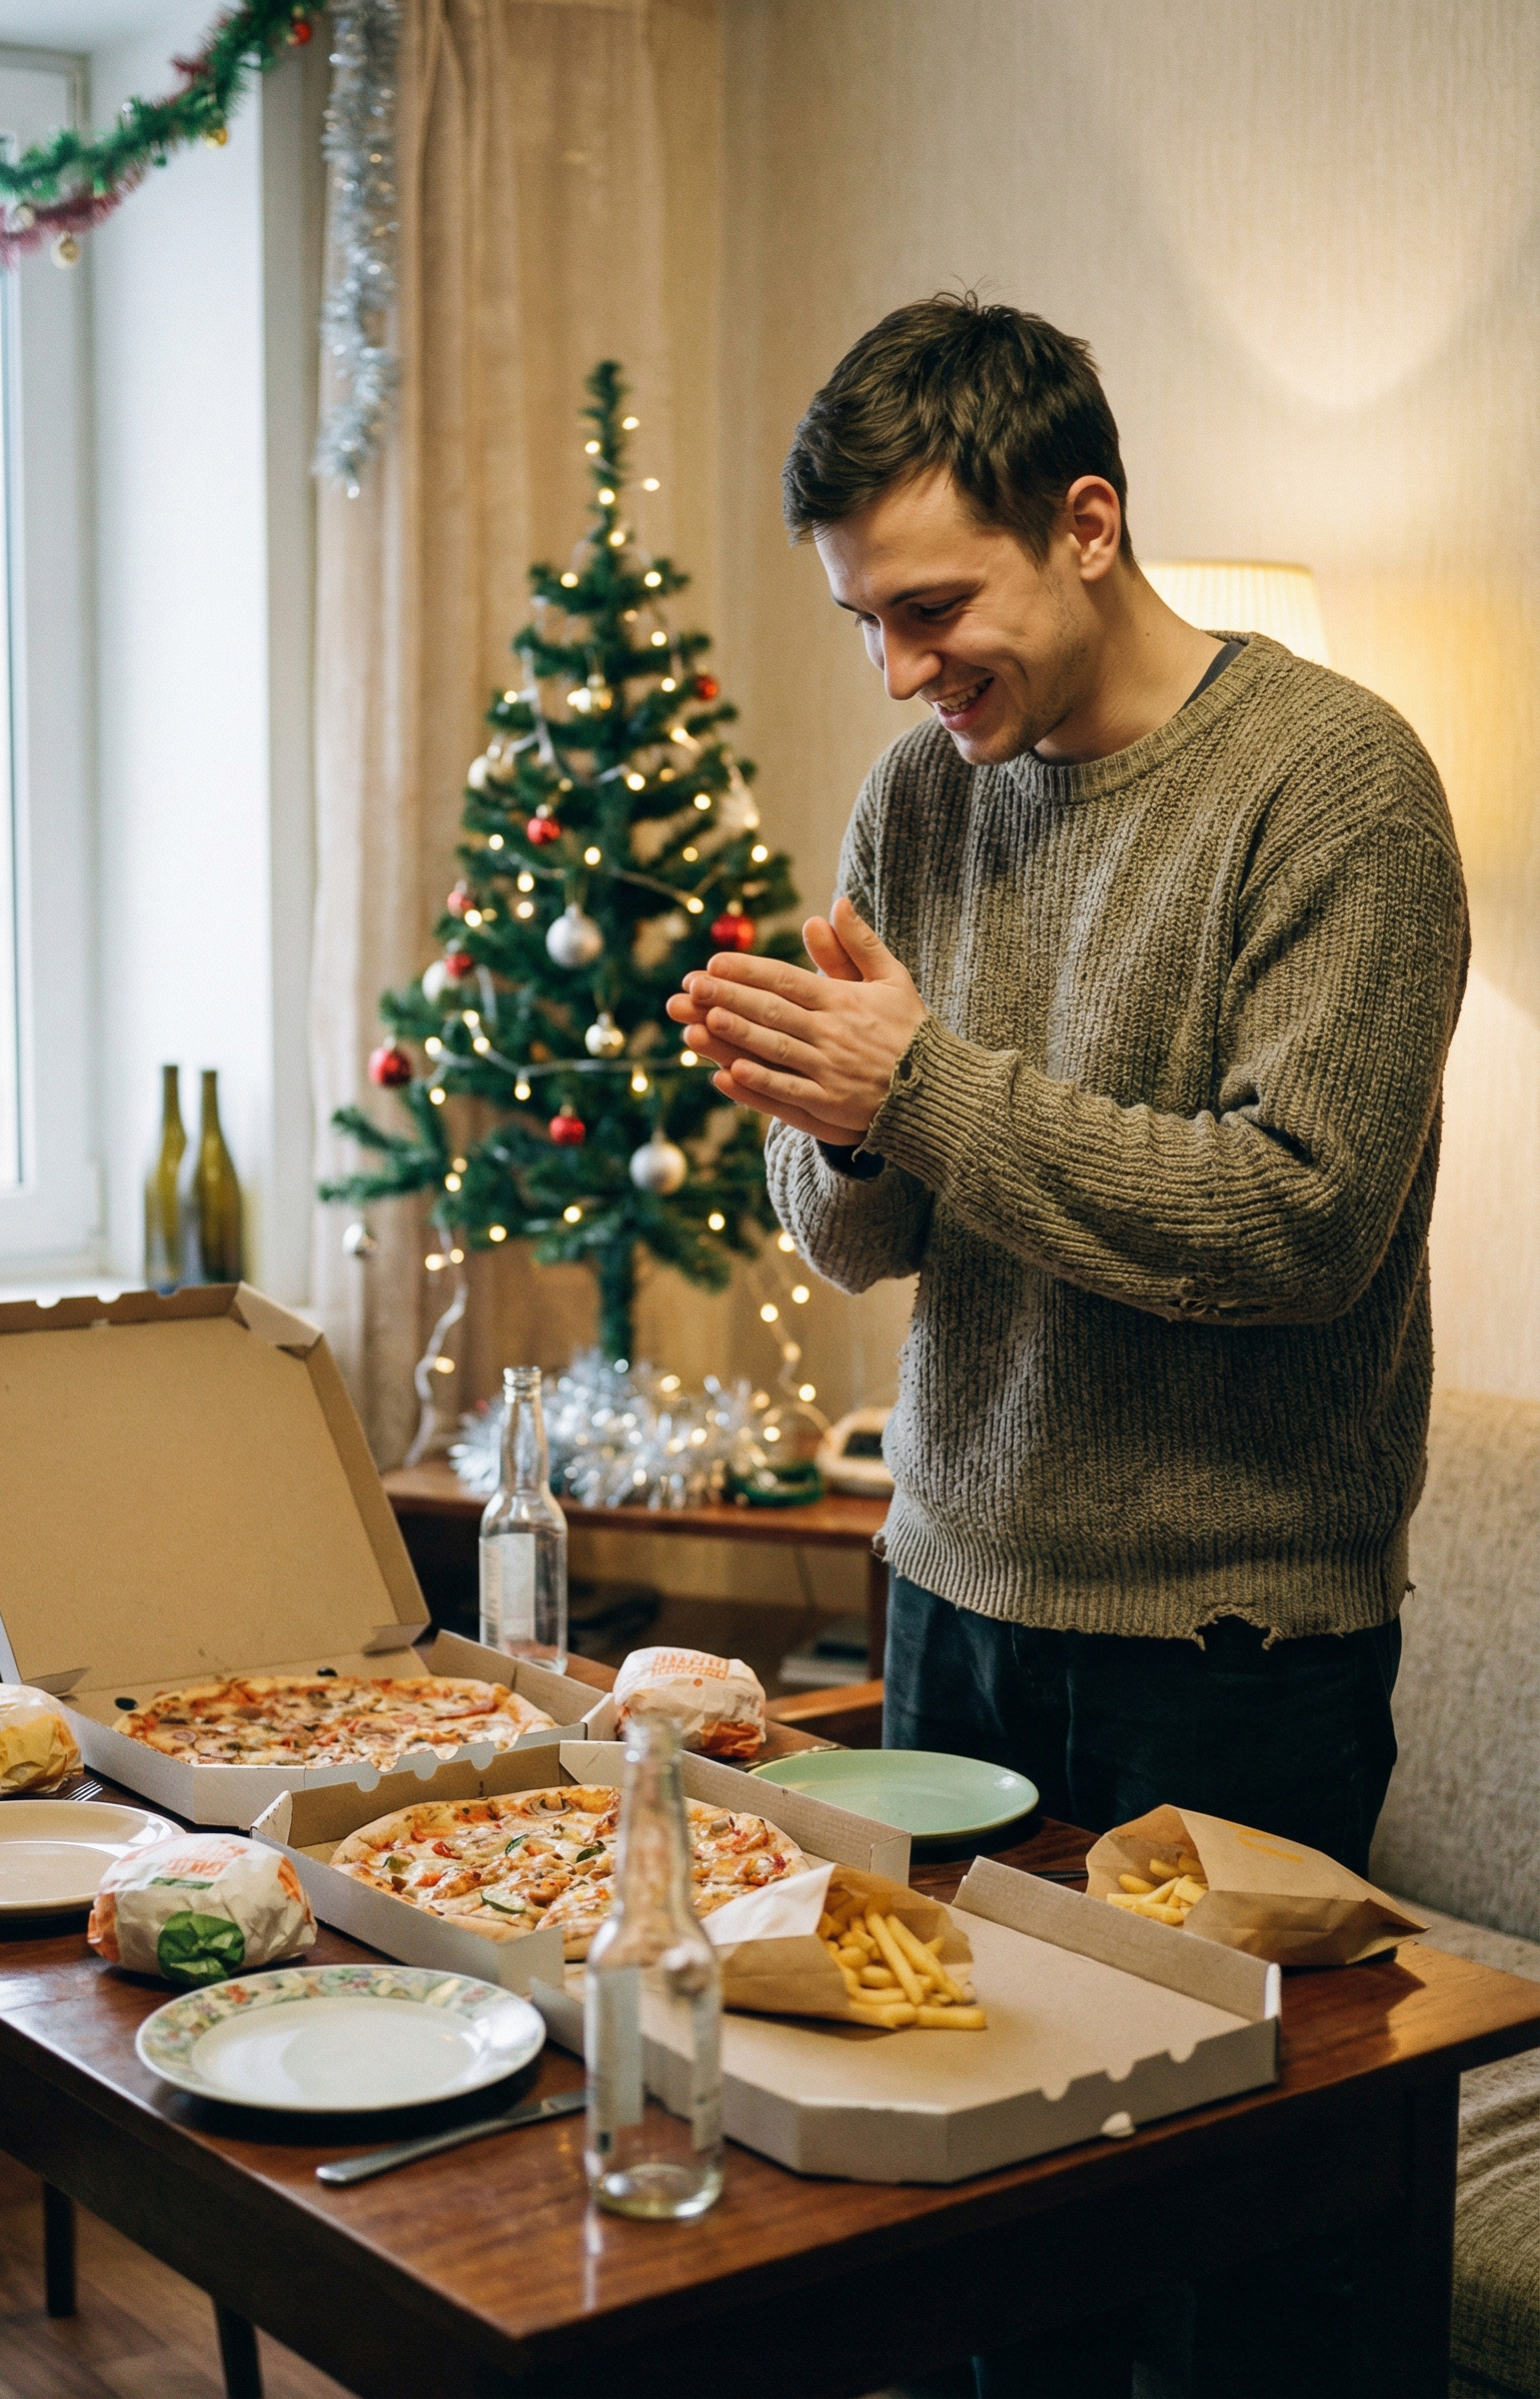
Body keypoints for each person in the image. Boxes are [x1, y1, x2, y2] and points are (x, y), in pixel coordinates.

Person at [667, 295, 1468, 2394]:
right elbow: (861, 1236)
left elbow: (1289, 1221)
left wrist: (912, 1087)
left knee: (1234, 2296)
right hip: (950, 1612)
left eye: (929, 606)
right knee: (975, 2263)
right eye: (863, 620)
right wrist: (831, 1123)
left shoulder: (1331, 790)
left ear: (1087, 524)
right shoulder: (921, 797)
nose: (900, 673)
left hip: (1232, 1670)